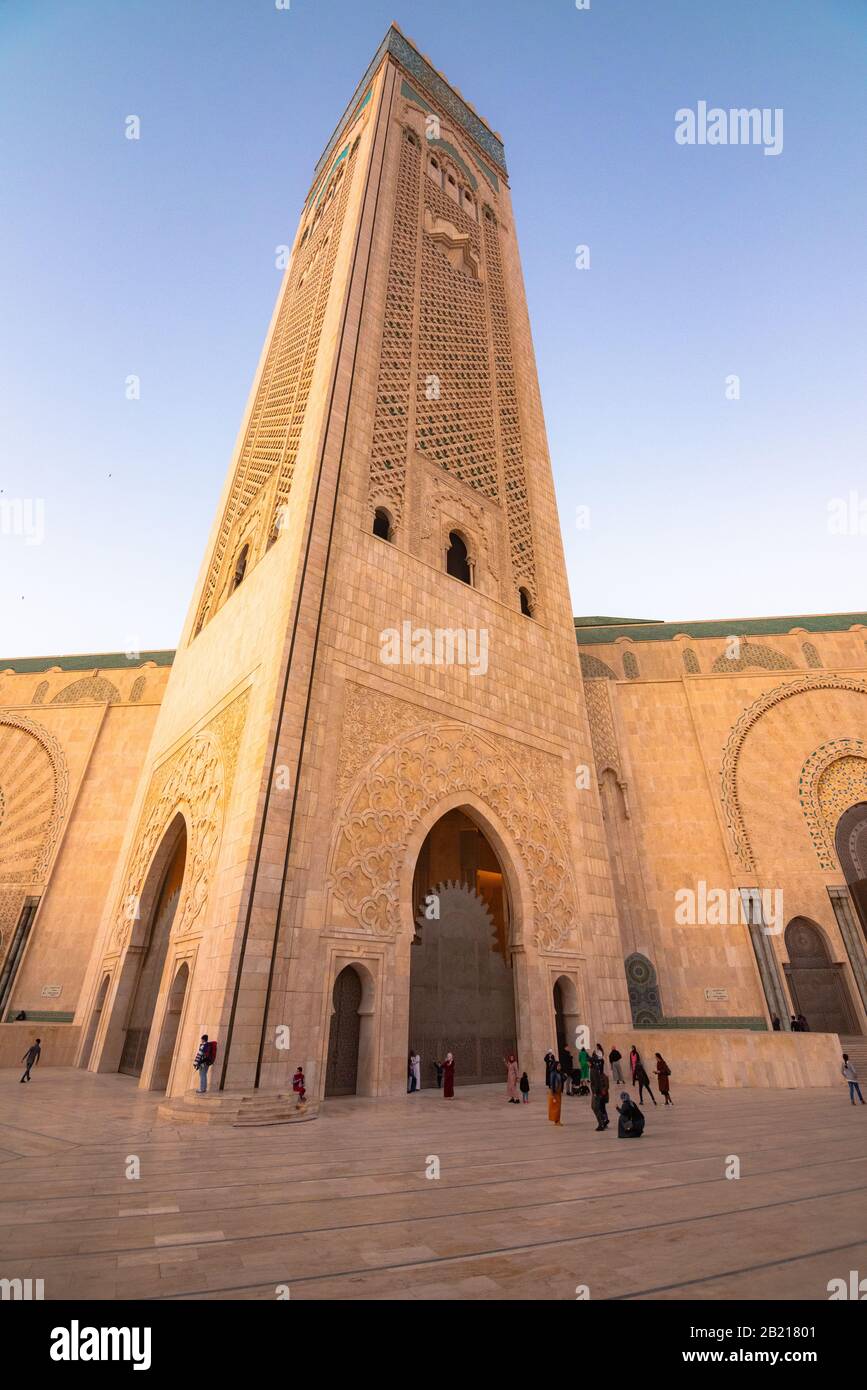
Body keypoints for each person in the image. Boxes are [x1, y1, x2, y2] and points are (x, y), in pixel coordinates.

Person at [590, 1063, 610, 1131]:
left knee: (602, 1108)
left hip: (602, 1096)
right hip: (601, 1095)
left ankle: (605, 1120)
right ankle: (604, 1120)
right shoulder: (599, 1075)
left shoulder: (604, 1076)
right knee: (600, 1108)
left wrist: (602, 1092)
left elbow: (606, 1086)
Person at [548, 1061, 564, 1125]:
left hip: (559, 1092)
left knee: (558, 1107)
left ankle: (557, 1120)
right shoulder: (553, 1073)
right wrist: (553, 1094)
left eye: (560, 1066)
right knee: (556, 1107)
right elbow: (552, 1084)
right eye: (558, 1066)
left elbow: (561, 1081)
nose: (560, 1067)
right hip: (555, 1092)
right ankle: (557, 1121)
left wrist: (564, 1076)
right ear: (555, 1066)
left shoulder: (559, 1073)